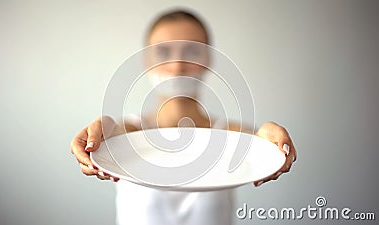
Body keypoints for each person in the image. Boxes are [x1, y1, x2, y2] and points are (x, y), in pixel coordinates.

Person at [70, 9, 296, 225]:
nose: (177, 65)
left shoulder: (230, 135)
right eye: (163, 52)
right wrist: (104, 129)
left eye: (191, 51)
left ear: (209, 59)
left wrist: (268, 138)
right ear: (146, 60)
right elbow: (117, 132)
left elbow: (257, 141)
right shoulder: (128, 133)